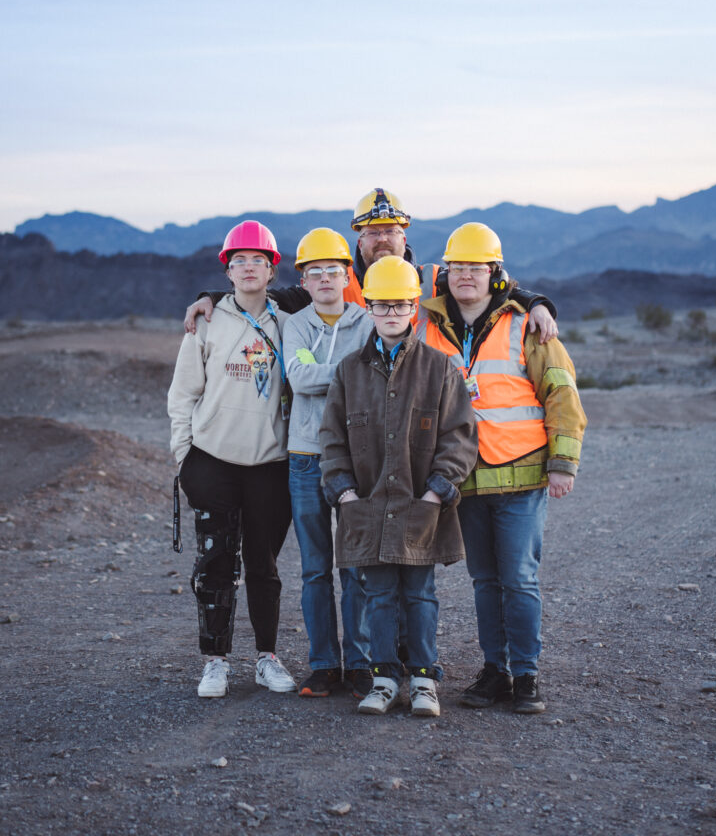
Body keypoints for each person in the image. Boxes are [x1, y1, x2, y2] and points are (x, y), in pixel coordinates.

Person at [416, 222, 587, 713]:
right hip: (464, 478)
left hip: (521, 474)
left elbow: (562, 395)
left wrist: (563, 463)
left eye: (477, 267)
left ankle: (526, 675)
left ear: (495, 274)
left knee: (519, 577)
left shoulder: (526, 326)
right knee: (484, 580)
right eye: (457, 268)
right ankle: (495, 670)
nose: (465, 275)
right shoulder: (427, 325)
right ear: (444, 275)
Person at [319, 256, 479, 718]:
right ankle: (385, 679)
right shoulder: (349, 371)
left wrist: (436, 492)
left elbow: (460, 435)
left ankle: (425, 680)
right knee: (380, 593)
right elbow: (332, 439)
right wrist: (346, 493)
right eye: (382, 305)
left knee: (421, 593)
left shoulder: (440, 369)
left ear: (415, 309)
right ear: (368, 307)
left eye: (402, 305)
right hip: (367, 504)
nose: (392, 313)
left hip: (421, 505)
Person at [167, 220, 297, 698]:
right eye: (238, 261)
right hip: (214, 462)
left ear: (271, 269)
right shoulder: (205, 322)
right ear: (227, 270)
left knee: (264, 565)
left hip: (270, 465)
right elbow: (182, 395)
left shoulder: (290, 323)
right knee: (216, 564)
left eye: (257, 260)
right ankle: (215, 661)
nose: (247, 268)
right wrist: (185, 457)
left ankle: (267, 657)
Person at [182, 187, 559, 343]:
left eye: (390, 231)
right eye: (372, 231)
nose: (382, 238)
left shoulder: (432, 280)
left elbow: (485, 284)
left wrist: (535, 302)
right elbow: (264, 297)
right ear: (358, 239)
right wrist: (213, 297)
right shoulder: (331, 281)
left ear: (404, 236)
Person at [282, 228, 374, 699]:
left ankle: (359, 663)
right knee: (315, 567)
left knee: (355, 565)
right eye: (313, 272)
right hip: (305, 458)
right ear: (302, 278)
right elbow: (298, 377)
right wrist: (350, 369)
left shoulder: (368, 321)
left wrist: (336, 373)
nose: (323, 279)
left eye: (332, 271)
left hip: (356, 457)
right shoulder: (295, 325)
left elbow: (376, 376)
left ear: (347, 275)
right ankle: (323, 664)